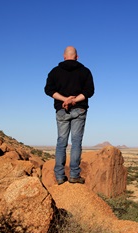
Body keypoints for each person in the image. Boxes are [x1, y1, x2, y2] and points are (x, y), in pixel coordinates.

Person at [44, 46, 95, 185]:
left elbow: (48, 90)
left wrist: (64, 100)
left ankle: (60, 176)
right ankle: (74, 175)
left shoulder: (55, 72)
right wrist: (74, 100)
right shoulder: (85, 71)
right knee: (76, 142)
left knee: (61, 142)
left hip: (61, 110)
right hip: (79, 109)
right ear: (77, 57)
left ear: (64, 56)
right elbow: (89, 91)